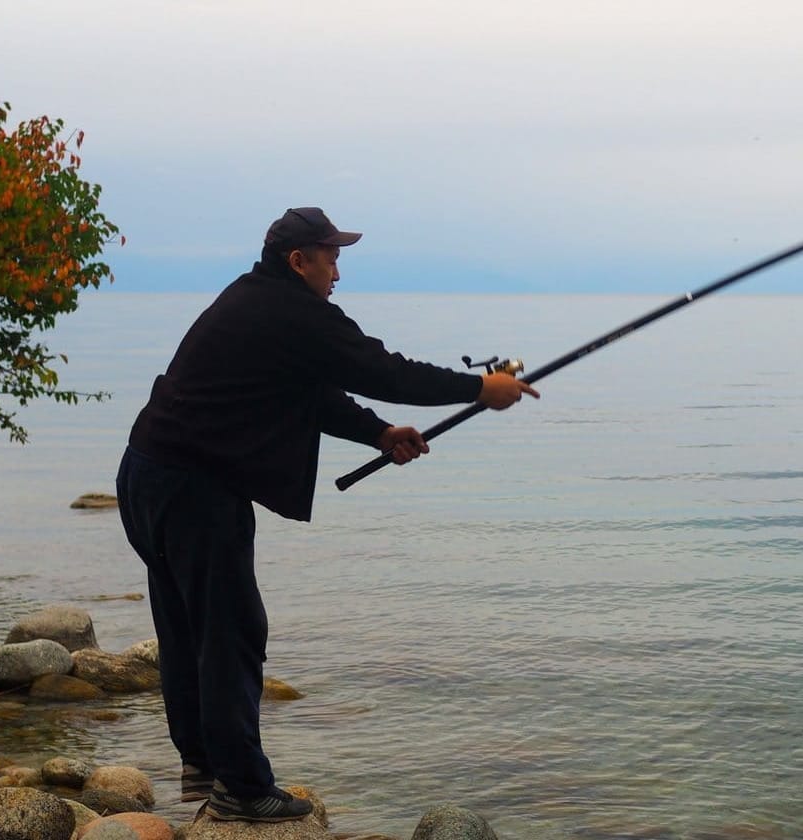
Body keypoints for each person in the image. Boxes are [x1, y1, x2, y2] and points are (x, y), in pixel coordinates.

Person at [115, 207, 537, 823]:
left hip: (146, 472)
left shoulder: (252, 299)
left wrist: (378, 433)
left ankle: (205, 764)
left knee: (187, 627)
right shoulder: (296, 312)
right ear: (299, 260)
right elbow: (384, 370)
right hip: (193, 489)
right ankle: (241, 789)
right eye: (331, 258)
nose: (337, 272)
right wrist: (480, 390)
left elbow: (309, 393)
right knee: (231, 629)